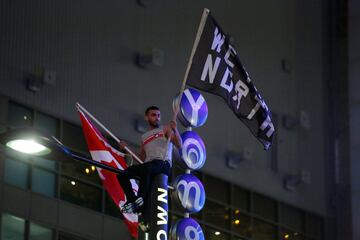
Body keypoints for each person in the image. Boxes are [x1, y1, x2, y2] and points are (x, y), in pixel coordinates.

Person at [117, 106, 182, 215]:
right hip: (149, 165)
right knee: (122, 174)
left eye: (158, 115)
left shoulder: (165, 129)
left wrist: (175, 129)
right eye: (153, 115)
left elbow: (179, 145)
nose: (157, 118)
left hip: (163, 163)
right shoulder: (144, 137)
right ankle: (132, 200)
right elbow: (141, 158)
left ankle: (140, 199)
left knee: (147, 169)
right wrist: (127, 149)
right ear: (146, 118)